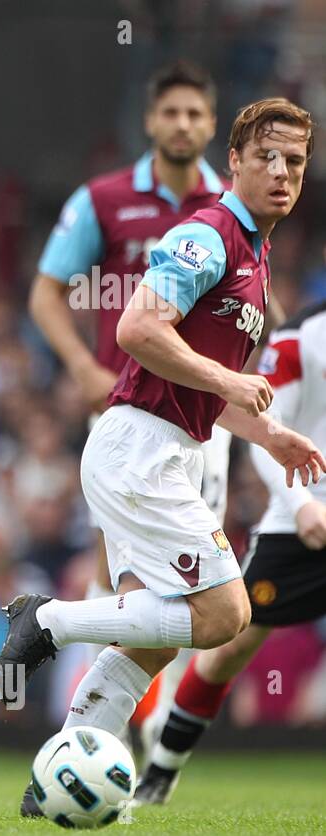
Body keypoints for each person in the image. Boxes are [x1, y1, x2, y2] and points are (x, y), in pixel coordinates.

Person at [0, 98, 324, 809]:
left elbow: (206, 382)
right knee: (224, 616)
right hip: (139, 448)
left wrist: (271, 433)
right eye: (265, 157)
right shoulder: (209, 235)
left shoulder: (255, 256)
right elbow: (138, 329)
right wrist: (230, 377)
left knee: (151, 640)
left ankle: (52, 780)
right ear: (230, 164)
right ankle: (49, 620)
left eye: (294, 162)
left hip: (161, 450)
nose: (281, 173)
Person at [135, 298, 326, 802]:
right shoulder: (299, 337)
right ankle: (162, 769)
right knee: (230, 645)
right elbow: (269, 434)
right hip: (303, 520)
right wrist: (302, 504)